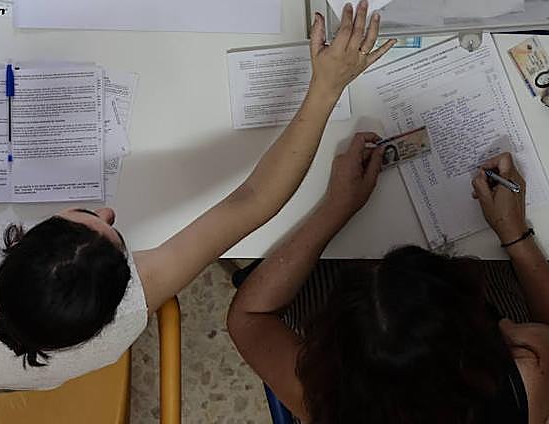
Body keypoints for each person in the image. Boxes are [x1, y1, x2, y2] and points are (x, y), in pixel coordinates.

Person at [0, 0, 392, 391]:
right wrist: (324, 91)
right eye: (110, 229)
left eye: (91, 220)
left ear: (12, 249)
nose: (108, 209)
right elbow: (254, 202)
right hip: (35, 364)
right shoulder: (140, 298)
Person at [227, 147, 549, 423]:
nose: (508, 325)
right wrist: (514, 234)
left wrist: (335, 208)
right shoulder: (530, 380)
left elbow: (248, 316)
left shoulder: (333, 405)